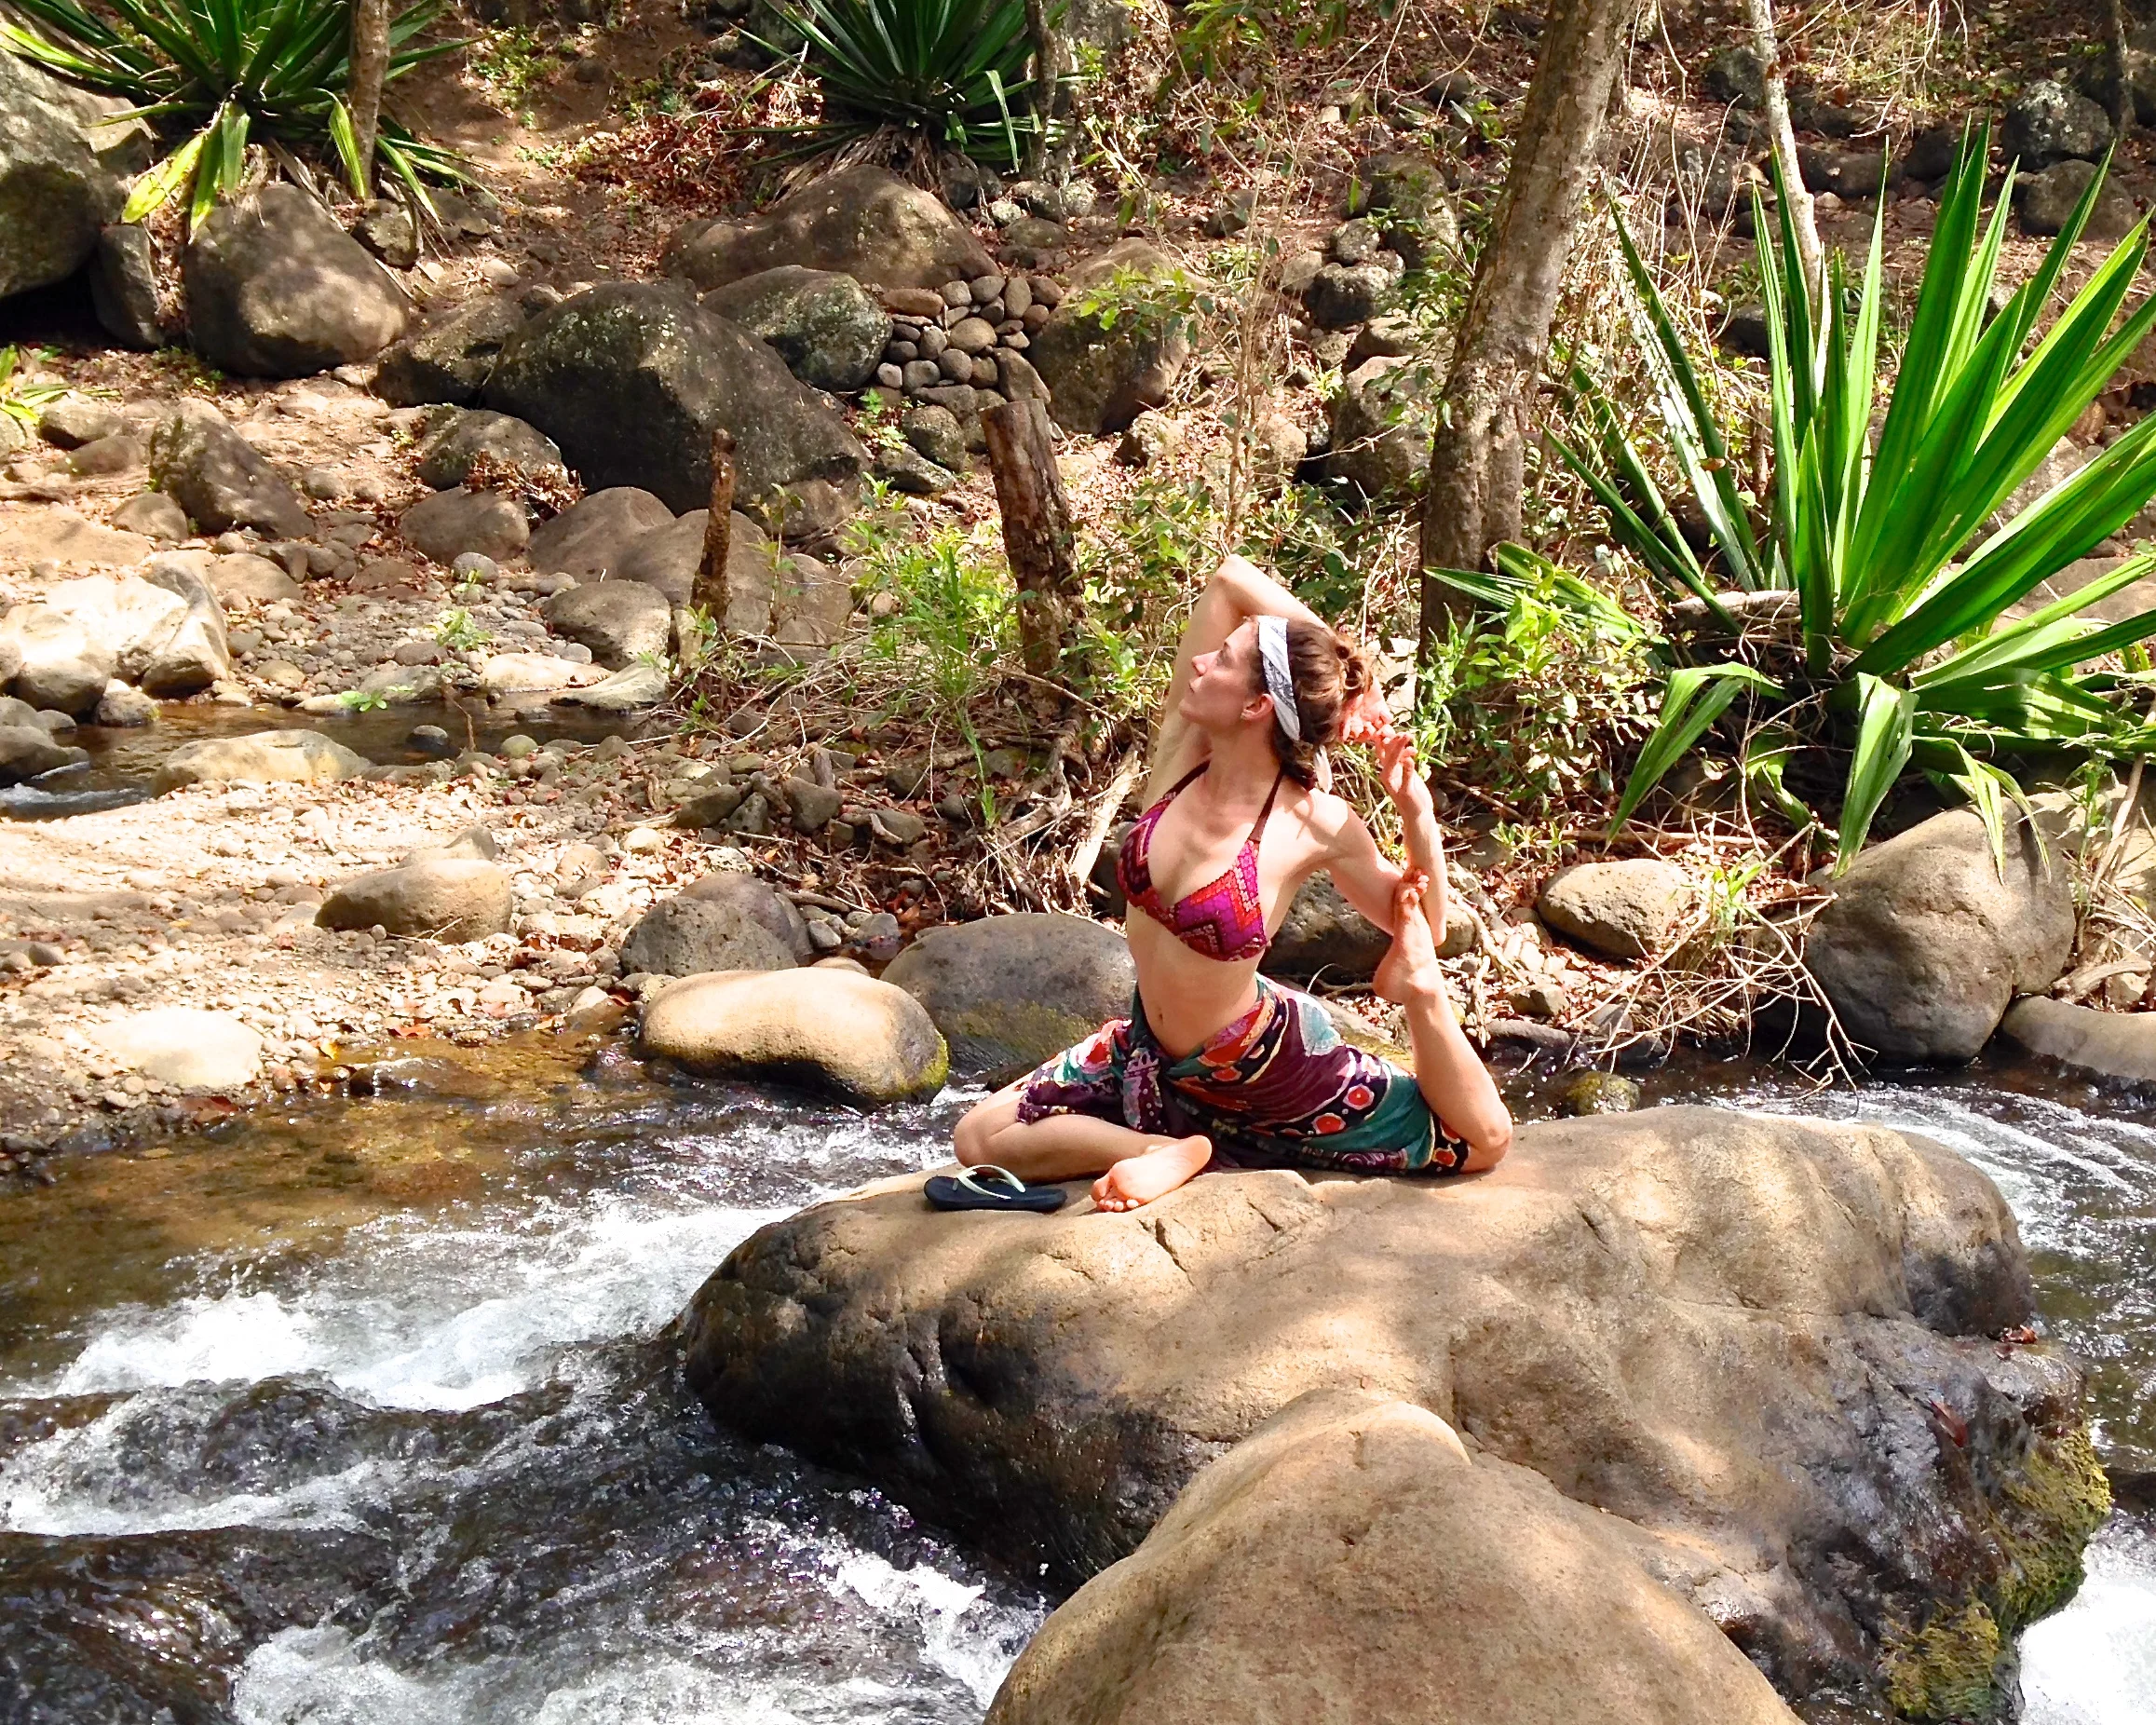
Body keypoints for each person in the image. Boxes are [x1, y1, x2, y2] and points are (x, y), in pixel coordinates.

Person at [953, 553, 1513, 1211]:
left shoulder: (1313, 821)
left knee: (1478, 1142)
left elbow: (1425, 927)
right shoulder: (1180, 762)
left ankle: (1186, 1138)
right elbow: (1230, 579)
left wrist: (1416, 814)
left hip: (1261, 1067)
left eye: (1221, 660)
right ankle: (1164, 1149)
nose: (1197, 663)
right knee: (978, 1136)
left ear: (1257, 704)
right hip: (1147, 1051)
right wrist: (1349, 671)